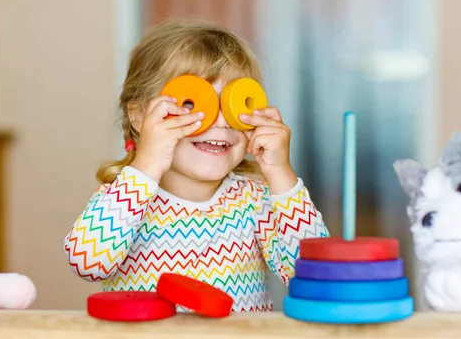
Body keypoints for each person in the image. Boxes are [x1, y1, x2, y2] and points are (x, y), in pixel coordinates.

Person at [63, 20, 329, 312]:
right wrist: (146, 166)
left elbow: (317, 277)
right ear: (140, 117)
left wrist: (282, 176)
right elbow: (88, 262)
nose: (221, 121)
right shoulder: (126, 197)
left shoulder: (254, 200)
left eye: (234, 105)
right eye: (192, 104)